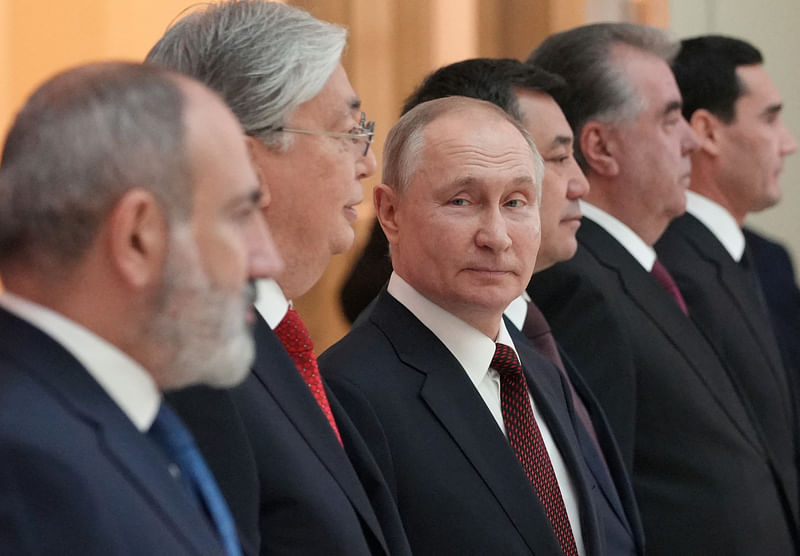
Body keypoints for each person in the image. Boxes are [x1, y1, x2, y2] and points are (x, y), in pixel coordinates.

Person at [342, 57, 642, 555]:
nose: (497, 237)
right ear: (390, 213)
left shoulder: (539, 369)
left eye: (516, 202)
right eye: (462, 201)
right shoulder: (351, 394)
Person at [147, 2, 411, 555]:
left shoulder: (277, 348)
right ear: (248, 165)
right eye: (349, 132)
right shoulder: (195, 368)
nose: (366, 163)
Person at [526, 23, 798, 554]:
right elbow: (603, 500)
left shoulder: (646, 269)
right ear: (601, 147)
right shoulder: (581, 287)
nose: (693, 140)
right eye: (670, 118)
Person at [0, 61, 282, 554]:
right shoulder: (25, 466)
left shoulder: (112, 416)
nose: (266, 258)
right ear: (138, 236)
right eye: (240, 215)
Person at [654, 36, 799, 531]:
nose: (788, 142)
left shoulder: (770, 259)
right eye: (769, 118)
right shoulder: (663, 265)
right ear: (707, 132)